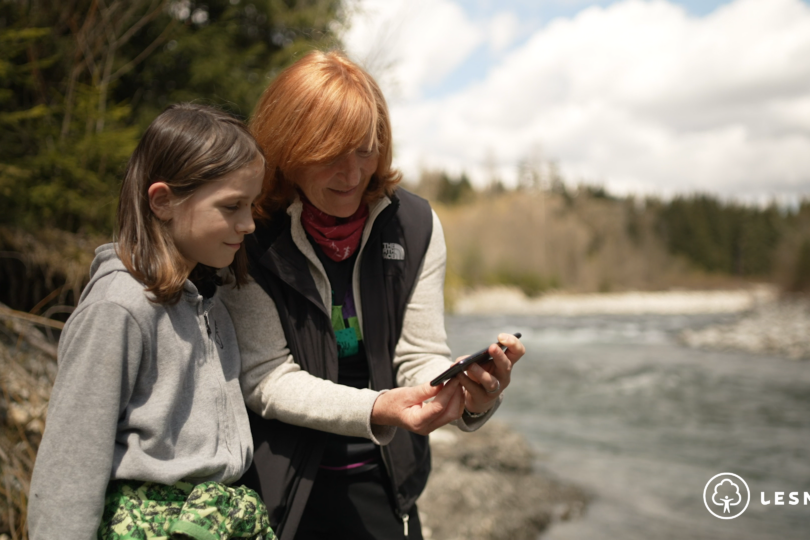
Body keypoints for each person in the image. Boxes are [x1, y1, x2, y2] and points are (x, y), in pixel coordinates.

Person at [220, 50, 526, 540]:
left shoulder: (416, 225)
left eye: (365, 150)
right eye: (330, 154)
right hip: (280, 491)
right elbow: (266, 377)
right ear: (287, 149)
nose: (352, 173)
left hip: (387, 484)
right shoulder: (247, 232)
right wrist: (379, 408)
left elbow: (421, 355)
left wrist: (468, 396)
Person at [27, 103, 275, 540]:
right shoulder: (117, 307)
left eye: (251, 205)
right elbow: (71, 462)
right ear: (163, 201)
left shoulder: (210, 302)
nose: (249, 223)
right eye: (232, 206)